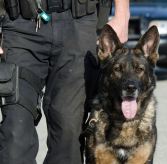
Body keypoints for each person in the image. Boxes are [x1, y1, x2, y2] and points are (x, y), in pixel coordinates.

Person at [0, 0, 129, 163]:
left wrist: (122, 13)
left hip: (78, 23)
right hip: (19, 25)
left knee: (68, 134)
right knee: (15, 131)